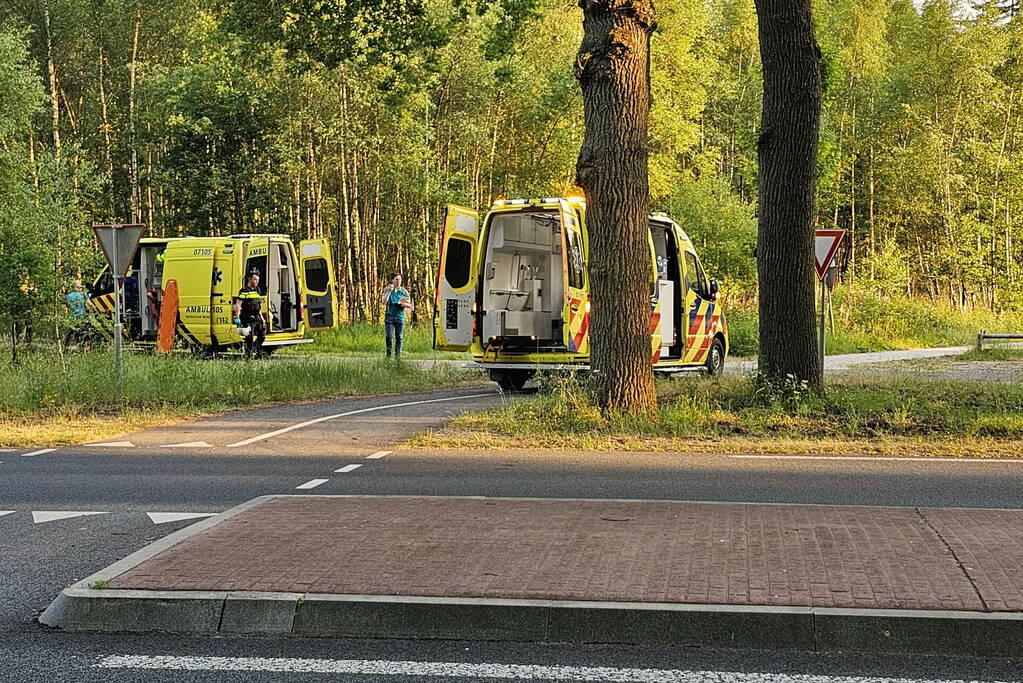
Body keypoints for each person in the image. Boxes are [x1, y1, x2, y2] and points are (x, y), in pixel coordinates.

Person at [233, 271, 267, 358]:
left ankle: (257, 351)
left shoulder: (257, 290)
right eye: (255, 280)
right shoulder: (244, 291)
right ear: (250, 279)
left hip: (257, 316)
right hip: (247, 316)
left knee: (262, 336)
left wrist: (262, 318)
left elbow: (258, 305)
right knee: (249, 337)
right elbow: (238, 305)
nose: (257, 282)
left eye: (258, 280)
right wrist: (237, 317)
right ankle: (248, 354)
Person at [381, 273, 413, 359]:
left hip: (400, 317)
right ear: (392, 280)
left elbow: (411, 305)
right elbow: (384, 302)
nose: (399, 281)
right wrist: (389, 291)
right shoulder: (386, 290)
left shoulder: (404, 291)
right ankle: (388, 355)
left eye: (400, 279)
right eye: (396, 279)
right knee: (389, 336)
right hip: (389, 317)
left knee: (399, 337)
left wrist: (404, 304)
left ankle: (397, 356)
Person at [63, 280, 91, 351]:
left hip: (72, 317)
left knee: (71, 332)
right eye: (80, 287)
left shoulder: (68, 296)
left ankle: (65, 347)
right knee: (85, 332)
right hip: (82, 316)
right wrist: (96, 310)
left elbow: (65, 306)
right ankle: (85, 347)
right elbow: (90, 303)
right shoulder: (83, 294)